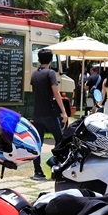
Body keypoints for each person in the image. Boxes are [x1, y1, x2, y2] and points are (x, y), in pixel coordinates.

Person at [29, 49, 68, 181]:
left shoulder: (34, 74)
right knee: (61, 141)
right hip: (50, 113)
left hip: (37, 113)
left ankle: (37, 171)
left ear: (39, 60)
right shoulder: (51, 73)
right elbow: (56, 93)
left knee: (37, 143)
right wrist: (63, 111)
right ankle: (58, 166)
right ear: (51, 60)